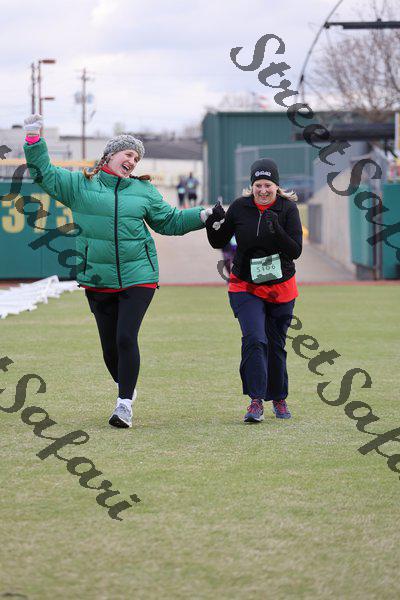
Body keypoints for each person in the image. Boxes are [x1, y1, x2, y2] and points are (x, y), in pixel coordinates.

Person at [23, 114, 213, 429]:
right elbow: (44, 173)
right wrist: (33, 139)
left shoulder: (143, 190)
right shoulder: (80, 185)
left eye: (137, 158)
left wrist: (203, 215)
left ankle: (124, 404)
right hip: (98, 278)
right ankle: (126, 384)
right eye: (129, 154)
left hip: (139, 275)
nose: (133, 161)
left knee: (126, 337)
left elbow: (169, 222)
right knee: (110, 350)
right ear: (110, 155)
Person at [205, 158, 303, 423]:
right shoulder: (240, 207)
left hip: (280, 288)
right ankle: (256, 401)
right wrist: (214, 222)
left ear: (276, 186)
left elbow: (295, 250)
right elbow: (218, 240)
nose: (263, 190)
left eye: (267, 185)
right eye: (258, 185)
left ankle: (279, 398)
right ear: (252, 186)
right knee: (254, 339)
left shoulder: (288, 209)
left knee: (275, 344)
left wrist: (277, 229)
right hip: (245, 286)